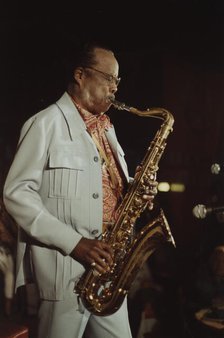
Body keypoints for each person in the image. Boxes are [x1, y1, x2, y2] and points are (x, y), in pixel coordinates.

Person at [3, 42, 158, 338]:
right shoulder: (44, 124)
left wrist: (137, 194)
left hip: (108, 269)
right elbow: (16, 194)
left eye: (118, 80)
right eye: (109, 78)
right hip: (66, 271)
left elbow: (108, 194)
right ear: (80, 75)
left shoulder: (108, 129)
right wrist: (76, 243)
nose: (115, 87)